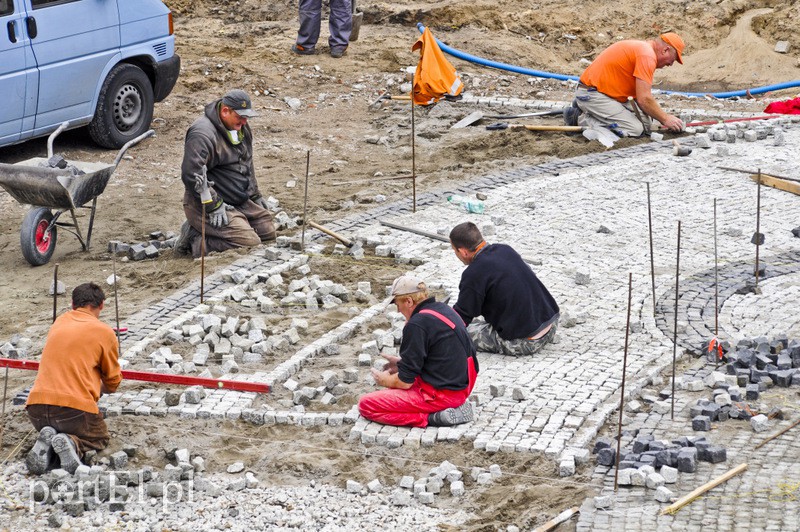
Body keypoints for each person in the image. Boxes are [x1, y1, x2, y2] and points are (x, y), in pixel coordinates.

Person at [26, 283, 122, 475]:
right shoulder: (104, 332)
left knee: (55, 427)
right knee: (99, 437)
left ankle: (49, 442)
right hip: (72, 412)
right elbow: (113, 383)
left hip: (35, 410)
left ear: (72, 304)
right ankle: (71, 442)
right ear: (101, 305)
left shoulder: (59, 322)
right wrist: (96, 387)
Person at [358, 276, 479, 428]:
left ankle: (434, 418)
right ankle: (445, 408)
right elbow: (437, 355)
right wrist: (403, 364)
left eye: (398, 304)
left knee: (366, 404)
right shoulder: (444, 309)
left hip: (442, 395)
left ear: (409, 301)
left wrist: (384, 380)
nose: (398, 310)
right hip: (461, 387)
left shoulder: (417, 325)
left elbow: (404, 383)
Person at [175, 89, 276, 257]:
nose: (244, 121)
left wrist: (254, 194)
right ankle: (195, 238)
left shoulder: (241, 127)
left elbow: (247, 162)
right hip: (206, 202)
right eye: (240, 116)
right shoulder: (202, 134)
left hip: (236, 198)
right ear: (225, 111)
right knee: (249, 242)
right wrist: (213, 205)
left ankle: (231, 223)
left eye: (246, 117)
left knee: (267, 232)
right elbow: (192, 174)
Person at [450, 222, 560, 356]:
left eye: (454, 251)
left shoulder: (473, 273)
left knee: (460, 334)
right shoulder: (505, 249)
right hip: (551, 324)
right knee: (477, 323)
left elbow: (461, 318)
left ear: (463, 251)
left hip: (526, 341)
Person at [564, 33, 686, 137]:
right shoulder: (647, 55)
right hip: (591, 93)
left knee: (646, 124)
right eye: (673, 59)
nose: (671, 64)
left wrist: (660, 117)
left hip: (607, 94)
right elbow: (644, 99)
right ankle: (578, 117)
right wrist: (666, 119)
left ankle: (591, 110)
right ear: (665, 50)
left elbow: (641, 98)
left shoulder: (644, 51)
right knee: (635, 129)